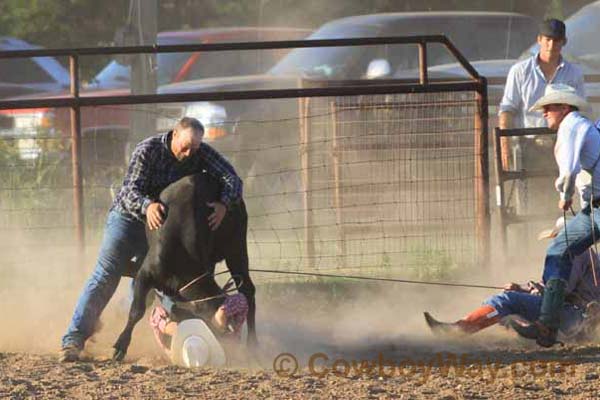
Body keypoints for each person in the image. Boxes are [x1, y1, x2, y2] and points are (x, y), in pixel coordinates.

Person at [60, 116, 243, 362]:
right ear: (174, 135)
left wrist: (224, 202)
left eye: (195, 148)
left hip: (162, 230)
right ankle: (73, 340)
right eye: (185, 146)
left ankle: (130, 319)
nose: (190, 153)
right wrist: (147, 206)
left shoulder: (200, 152)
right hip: (129, 220)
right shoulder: (148, 150)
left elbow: (232, 178)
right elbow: (129, 191)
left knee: (161, 283)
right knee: (107, 273)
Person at [507, 83, 600, 347]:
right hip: (594, 208)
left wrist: (564, 194)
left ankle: (548, 324)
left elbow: (569, 170)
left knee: (560, 252)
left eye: (548, 108)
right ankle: (547, 325)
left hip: (595, 207)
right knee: (559, 249)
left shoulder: (571, 125)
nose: (544, 112)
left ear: (563, 107)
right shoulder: (582, 125)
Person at [424, 218, 600, 342]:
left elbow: (560, 291)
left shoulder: (573, 253)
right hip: (579, 318)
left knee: (507, 300)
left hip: (574, 317)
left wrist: (523, 290)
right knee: (511, 303)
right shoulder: (583, 253)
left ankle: (458, 330)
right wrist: (525, 288)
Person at [498, 18, 584, 168]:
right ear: (539, 40)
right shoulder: (519, 71)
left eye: (556, 40)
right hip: (527, 144)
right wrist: (504, 146)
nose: (551, 45)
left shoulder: (574, 73)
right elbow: (507, 110)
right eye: (548, 39)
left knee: (563, 187)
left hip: (563, 144)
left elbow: (580, 111)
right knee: (526, 188)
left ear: (564, 42)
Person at [149, 292, 248, 367]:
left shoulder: (162, 321)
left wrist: (172, 328)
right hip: (216, 329)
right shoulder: (229, 342)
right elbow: (241, 299)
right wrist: (221, 315)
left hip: (179, 322)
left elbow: (157, 318)